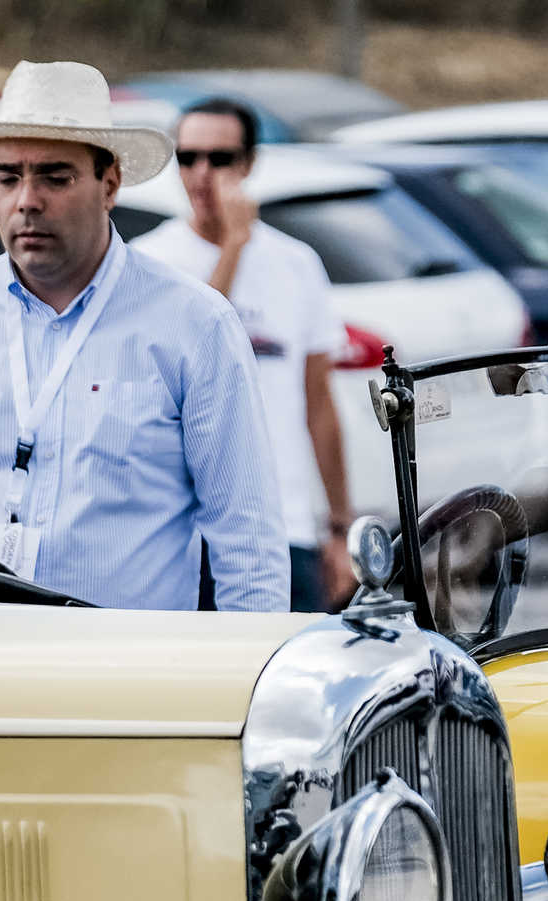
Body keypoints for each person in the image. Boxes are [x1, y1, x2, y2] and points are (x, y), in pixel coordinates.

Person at [0, 61, 286, 611]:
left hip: (126, 677)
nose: (27, 201)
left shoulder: (193, 324)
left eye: (54, 177)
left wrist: (241, 682)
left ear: (109, 183)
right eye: (8, 178)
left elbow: (247, 543)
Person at [132, 97, 356, 611]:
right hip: (183, 533)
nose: (202, 174)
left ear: (250, 163)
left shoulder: (296, 264)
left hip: (283, 523)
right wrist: (232, 248)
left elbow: (318, 403)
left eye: (220, 158)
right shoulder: (149, 263)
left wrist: (339, 528)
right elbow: (188, 358)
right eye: (187, 158)